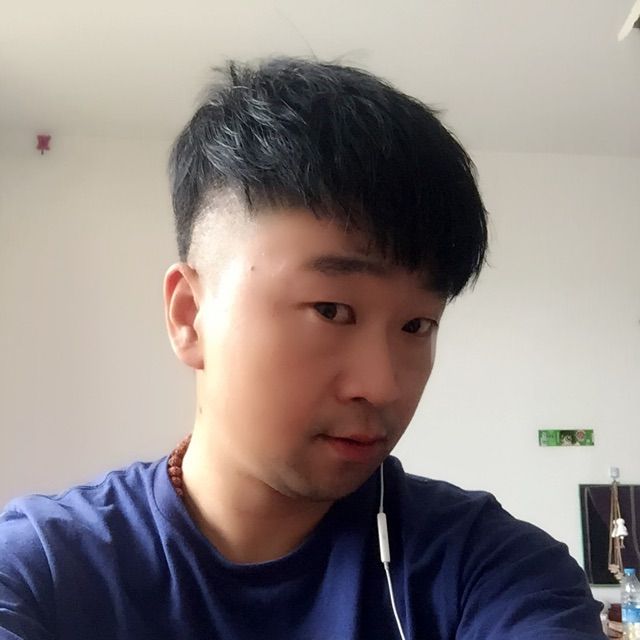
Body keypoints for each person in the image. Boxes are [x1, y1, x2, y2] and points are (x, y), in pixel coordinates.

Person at [0, 57, 604, 640]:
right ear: (190, 316)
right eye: (331, 310)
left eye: (417, 325)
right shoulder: (41, 569)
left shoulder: (491, 569)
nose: (383, 385)